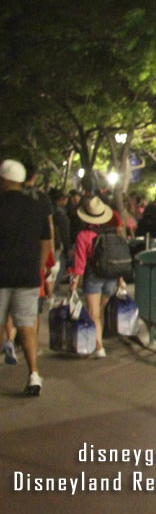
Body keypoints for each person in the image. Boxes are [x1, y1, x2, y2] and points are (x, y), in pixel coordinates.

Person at [0, 160, 50, 395]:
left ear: (4, 179)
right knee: (27, 326)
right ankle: (34, 375)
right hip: (28, 273)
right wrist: (39, 268)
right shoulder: (37, 206)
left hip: (2, 274)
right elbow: (46, 242)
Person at [68, 196, 122, 359]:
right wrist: (120, 278)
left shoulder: (83, 235)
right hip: (111, 276)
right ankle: (98, 341)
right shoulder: (112, 233)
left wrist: (75, 280)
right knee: (100, 310)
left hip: (94, 276)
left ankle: (98, 346)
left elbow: (80, 261)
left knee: (93, 312)